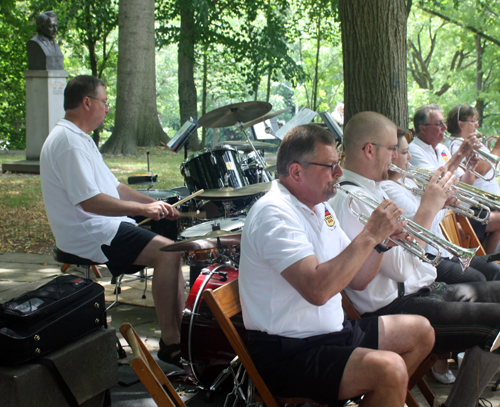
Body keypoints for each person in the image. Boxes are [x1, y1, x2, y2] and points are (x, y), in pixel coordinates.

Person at [239, 123, 435, 405]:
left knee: (421, 332)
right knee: (390, 370)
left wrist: (382, 243)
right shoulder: (274, 213)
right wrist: (369, 235)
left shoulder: (320, 205)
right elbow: (317, 290)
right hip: (290, 351)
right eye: (331, 166)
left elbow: (358, 279)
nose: (339, 173)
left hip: (331, 334)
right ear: (296, 171)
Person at [330, 111, 500, 407]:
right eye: (392, 149)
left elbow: (414, 259)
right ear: (370, 150)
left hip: (421, 292)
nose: (396, 157)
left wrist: (435, 207)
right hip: (394, 308)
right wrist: (428, 208)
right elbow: (402, 269)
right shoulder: (354, 199)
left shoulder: (374, 189)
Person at [40, 75, 184, 368]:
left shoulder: (79, 138)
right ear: (86, 102)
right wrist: (142, 211)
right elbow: (90, 202)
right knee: (168, 254)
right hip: (88, 231)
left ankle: (183, 334)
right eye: (104, 102)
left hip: (101, 226)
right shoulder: (68, 142)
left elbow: (114, 187)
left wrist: (154, 203)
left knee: (174, 249)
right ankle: (172, 344)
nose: (107, 109)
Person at [382, 129, 500, 284]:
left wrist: (442, 203)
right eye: (405, 153)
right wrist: (440, 204)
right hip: (427, 256)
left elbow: (431, 215)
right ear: (393, 156)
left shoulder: (409, 181)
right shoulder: (388, 188)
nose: (409, 157)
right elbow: (424, 227)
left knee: (493, 269)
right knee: (477, 279)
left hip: (445, 250)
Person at [409, 103, 500, 254]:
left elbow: (463, 183)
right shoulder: (414, 150)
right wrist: (461, 154)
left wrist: (470, 167)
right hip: (441, 216)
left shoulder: (443, 149)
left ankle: (489, 263)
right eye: (439, 124)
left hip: (452, 209)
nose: (445, 127)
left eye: (444, 123)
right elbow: (436, 184)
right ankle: (489, 261)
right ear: (423, 128)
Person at [444, 104, 500, 253]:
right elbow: (480, 170)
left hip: (490, 203)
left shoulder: (475, 142)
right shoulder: (456, 145)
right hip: (477, 206)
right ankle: (489, 263)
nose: (477, 124)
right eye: (473, 120)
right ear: (460, 123)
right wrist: (497, 148)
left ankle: (491, 262)